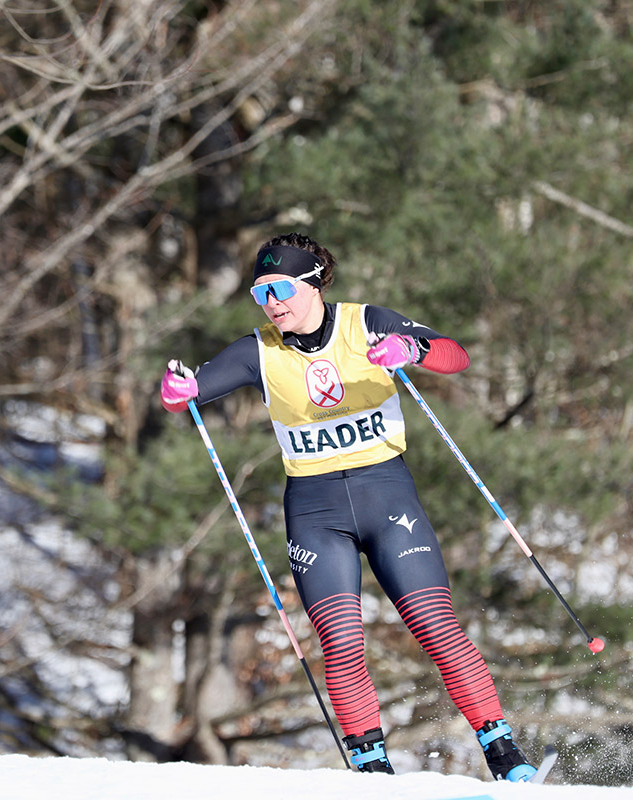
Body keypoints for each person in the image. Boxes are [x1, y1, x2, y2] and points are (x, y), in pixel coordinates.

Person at [158, 232, 537, 781]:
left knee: (435, 624)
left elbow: (456, 355)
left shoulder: (367, 322)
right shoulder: (256, 350)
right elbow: (191, 391)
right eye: (259, 293)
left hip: (387, 498)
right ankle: (372, 772)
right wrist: (178, 388)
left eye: (281, 288)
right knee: (339, 639)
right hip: (314, 513)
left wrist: (413, 350)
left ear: (314, 282)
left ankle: (505, 758)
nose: (271, 303)